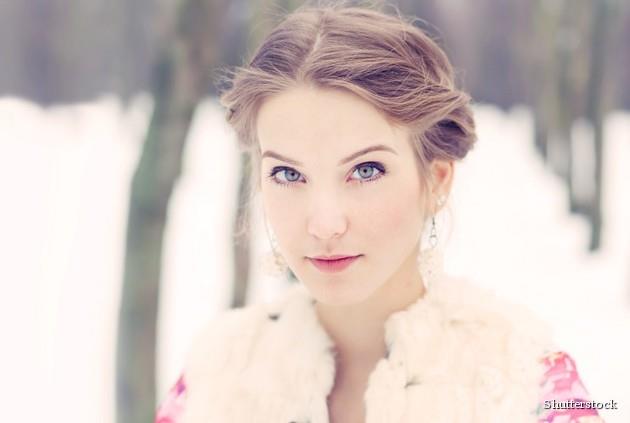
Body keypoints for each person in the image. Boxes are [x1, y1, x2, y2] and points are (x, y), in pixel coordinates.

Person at [155, 4, 604, 423]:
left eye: (366, 170)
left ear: (437, 180)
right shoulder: (213, 381)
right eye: (288, 174)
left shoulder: (527, 386)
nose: (325, 225)